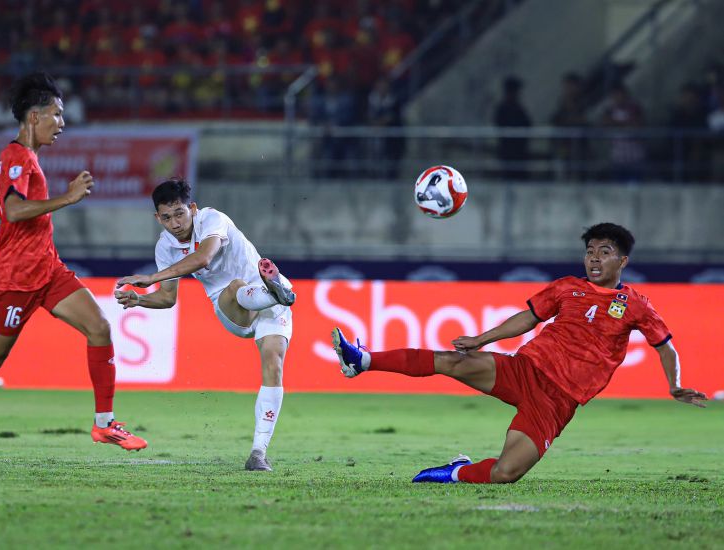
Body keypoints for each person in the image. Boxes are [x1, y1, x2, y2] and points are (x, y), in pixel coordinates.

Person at [331, 223, 707, 484]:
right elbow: (528, 318)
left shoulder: (636, 305)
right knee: (452, 360)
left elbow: (665, 345)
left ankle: (457, 471)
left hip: (558, 402)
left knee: (506, 474)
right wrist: (482, 338)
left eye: (604, 253)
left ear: (622, 261)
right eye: (589, 252)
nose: (593, 259)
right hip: (524, 370)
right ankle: (363, 360)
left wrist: (674, 385)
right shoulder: (566, 288)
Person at [0, 72, 147, 456]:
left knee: (100, 327)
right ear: (34, 117)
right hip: (16, 282)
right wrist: (67, 199)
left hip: (47, 270)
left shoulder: (12, 161)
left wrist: (7, 244)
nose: (62, 123)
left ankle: (105, 425)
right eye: (56, 114)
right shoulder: (16, 158)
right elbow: (15, 211)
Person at [114, 179, 295, 471]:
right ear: (157, 218)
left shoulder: (213, 219)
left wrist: (150, 277)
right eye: (167, 217)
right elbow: (167, 299)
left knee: (273, 364)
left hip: (271, 306)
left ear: (193, 209)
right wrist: (139, 301)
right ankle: (272, 290)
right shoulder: (166, 248)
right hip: (232, 309)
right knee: (236, 285)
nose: (175, 223)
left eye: (180, 213)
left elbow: (204, 257)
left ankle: (258, 453)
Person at [494, 75, 532, 181]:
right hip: (509, 152)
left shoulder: (517, 108)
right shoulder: (504, 108)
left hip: (518, 152)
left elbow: (527, 124)